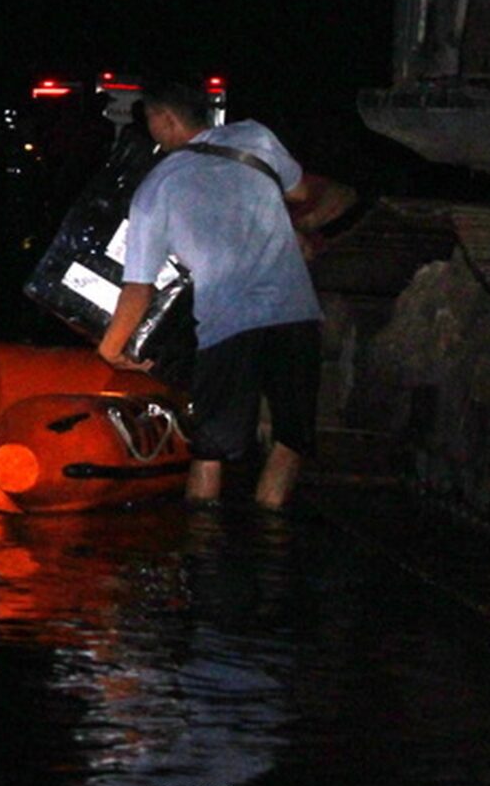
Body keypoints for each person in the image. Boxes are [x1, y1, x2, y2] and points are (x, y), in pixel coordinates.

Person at [97, 79, 323, 510]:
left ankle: (203, 548)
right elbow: (301, 192)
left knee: (210, 450)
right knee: (292, 436)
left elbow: (138, 288)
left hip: (228, 327)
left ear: (166, 120)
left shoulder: (155, 189)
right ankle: (268, 530)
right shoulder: (254, 136)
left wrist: (110, 349)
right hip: (295, 314)